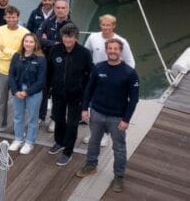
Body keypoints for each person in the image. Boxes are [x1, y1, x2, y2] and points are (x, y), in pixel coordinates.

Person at [76, 38, 140, 193]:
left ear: (120, 51)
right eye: (109, 48)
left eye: (115, 49)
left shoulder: (129, 73)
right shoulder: (98, 68)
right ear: (106, 51)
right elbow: (89, 90)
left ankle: (119, 176)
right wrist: (85, 109)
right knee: (93, 141)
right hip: (97, 113)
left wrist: (126, 120)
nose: (112, 51)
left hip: (117, 118)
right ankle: (91, 165)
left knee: (119, 148)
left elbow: (134, 99)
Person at [82, 14, 136, 147]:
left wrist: (123, 77)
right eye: (103, 25)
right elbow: (85, 53)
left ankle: (105, 135)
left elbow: (130, 62)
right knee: (93, 107)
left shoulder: (121, 41)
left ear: (113, 26)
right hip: (96, 76)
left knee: (108, 107)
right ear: (100, 25)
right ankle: (95, 132)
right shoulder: (93, 37)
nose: (105, 28)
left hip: (114, 79)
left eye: (108, 25)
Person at [46, 23, 93, 166]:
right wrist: (48, 90)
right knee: (58, 118)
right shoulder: (55, 49)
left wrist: (86, 94)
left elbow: (90, 74)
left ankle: (68, 152)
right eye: (65, 36)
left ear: (76, 37)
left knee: (72, 124)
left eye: (70, 37)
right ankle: (59, 141)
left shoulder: (84, 53)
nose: (67, 40)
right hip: (58, 93)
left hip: (76, 95)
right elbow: (50, 71)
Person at [0, 6, 28, 134]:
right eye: (9, 17)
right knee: (1, 101)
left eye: (14, 17)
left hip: (19, 73)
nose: (11, 19)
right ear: (5, 17)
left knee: (20, 101)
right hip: (2, 71)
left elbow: (22, 55)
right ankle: (1, 124)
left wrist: (5, 50)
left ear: (18, 17)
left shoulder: (24, 32)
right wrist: (13, 54)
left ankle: (20, 128)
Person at [7, 33, 46, 155]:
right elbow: (11, 75)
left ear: (35, 44)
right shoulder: (16, 56)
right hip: (18, 91)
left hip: (33, 92)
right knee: (18, 116)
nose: (28, 44)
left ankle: (29, 142)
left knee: (32, 118)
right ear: (23, 42)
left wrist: (27, 92)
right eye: (26, 41)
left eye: (31, 42)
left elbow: (41, 80)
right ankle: (18, 139)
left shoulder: (41, 59)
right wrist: (15, 91)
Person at [38, 0, 73, 129]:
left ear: (67, 10)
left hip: (62, 64)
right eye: (58, 7)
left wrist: (48, 42)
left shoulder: (70, 26)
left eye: (63, 8)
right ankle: (40, 117)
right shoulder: (48, 21)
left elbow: (68, 45)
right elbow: (38, 38)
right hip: (46, 62)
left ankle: (54, 119)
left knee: (57, 93)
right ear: (54, 8)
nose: (60, 10)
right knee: (43, 90)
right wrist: (55, 43)